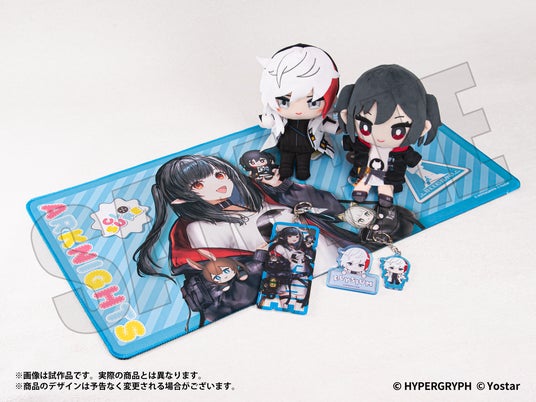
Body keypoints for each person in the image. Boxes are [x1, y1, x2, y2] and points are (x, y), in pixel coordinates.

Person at [258, 44, 339, 180]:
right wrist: (267, 119)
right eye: (285, 102)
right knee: (285, 163)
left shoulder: (318, 119)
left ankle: (302, 169)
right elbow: (268, 121)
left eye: (313, 103)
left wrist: (339, 127)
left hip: (306, 145)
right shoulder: (279, 117)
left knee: (303, 166)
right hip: (286, 143)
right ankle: (286, 168)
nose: (299, 111)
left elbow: (327, 125)